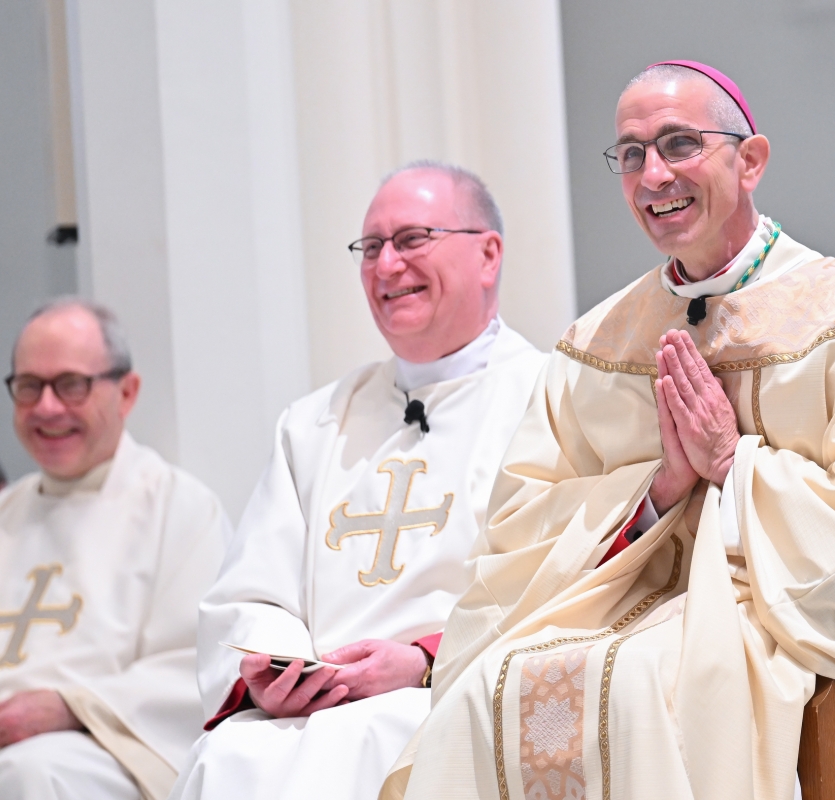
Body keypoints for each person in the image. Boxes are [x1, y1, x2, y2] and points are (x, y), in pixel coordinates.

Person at [382, 62, 835, 800]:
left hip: (802, 627)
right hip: (634, 616)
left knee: (639, 690)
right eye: (631, 154)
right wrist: (658, 491)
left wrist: (733, 463)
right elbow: (521, 530)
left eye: (679, 144)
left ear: (749, 160)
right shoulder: (598, 345)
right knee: (487, 687)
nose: (653, 174)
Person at [168, 162, 546, 800]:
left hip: (456, 694)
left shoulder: (548, 399)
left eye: (411, 239)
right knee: (228, 756)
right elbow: (249, 596)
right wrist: (277, 667)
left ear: (488, 255)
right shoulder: (314, 423)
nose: (386, 265)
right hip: (313, 709)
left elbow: (567, 581)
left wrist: (425, 660)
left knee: (369, 740)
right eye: (370, 247)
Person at [0, 299, 228, 800]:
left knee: (30, 773)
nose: (46, 407)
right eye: (29, 386)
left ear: (126, 392)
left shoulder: (179, 509)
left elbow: (201, 666)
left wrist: (70, 706)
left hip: (103, 749)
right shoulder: (5, 513)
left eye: (71, 385)